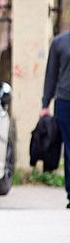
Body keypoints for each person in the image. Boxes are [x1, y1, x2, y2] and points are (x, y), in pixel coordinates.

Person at [39, 30, 70, 209]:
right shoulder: (60, 42)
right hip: (65, 102)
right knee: (68, 147)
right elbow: (51, 74)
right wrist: (45, 104)